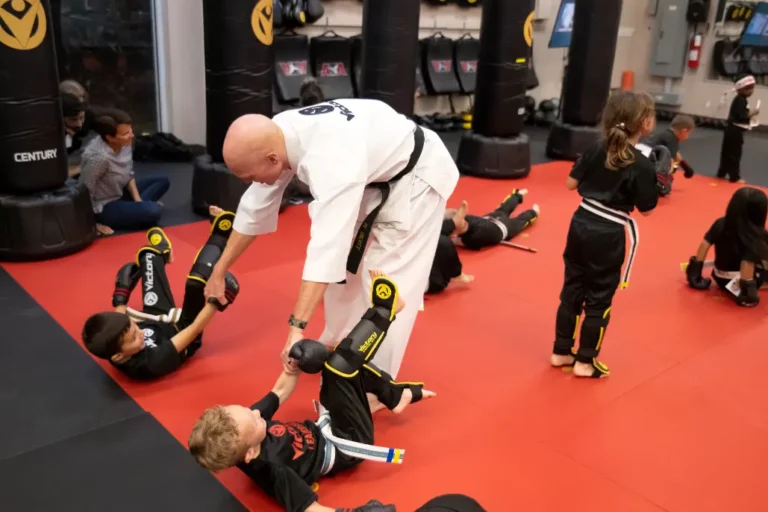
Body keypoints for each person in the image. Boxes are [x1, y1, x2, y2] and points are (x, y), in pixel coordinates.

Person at [204, 98, 459, 398]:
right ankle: (339, 340)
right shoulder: (280, 133)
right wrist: (219, 270)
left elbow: (326, 248)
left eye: (249, 177)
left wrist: (296, 328)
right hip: (371, 171)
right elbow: (253, 209)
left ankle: (372, 389)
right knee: (346, 271)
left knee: (385, 288)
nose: (251, 183)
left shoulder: (328, 160)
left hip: (417, 176)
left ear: (272, 159)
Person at [189, 272, 434, 512]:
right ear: (251, 452)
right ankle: (384, 311)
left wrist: (292, 368)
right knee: (339, 367)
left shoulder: (244, 427)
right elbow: (312, 509)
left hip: (326, 424)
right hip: (349, 441)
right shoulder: (275, 470)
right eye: (254, 418)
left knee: (329, 362)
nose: (256, 412)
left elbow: (279, 391)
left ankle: (396, 396)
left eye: (247, 410)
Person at [550, 90, 659, 379]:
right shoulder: (643, 164)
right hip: (609, 233)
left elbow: (570, 184)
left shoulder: (597, 149)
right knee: (598, 298)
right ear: (646, 123)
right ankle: (585, 362)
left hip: (581, 223)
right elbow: (646, 210)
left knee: (572, 288)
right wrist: (655, 179)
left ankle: (561, 351)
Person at [81, 208, 241, 380]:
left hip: (155, 316)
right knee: (196, 282)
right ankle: (221, 236)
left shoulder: (117, 344)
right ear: (119, 357)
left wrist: (121, 294)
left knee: (148, 257)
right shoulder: (150, 363)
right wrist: (215, 302)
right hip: (182, 330)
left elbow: (120, 318)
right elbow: (194, 330)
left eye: (135, 327)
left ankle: (162, 251)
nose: (140, 333)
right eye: (134, 337)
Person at [427, 189, 540, 295]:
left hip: (503, 228)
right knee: (504, 210)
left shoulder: (471, 239)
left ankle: (531, 210)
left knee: (518, 219)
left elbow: (455, 240)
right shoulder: (469, 220)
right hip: (490, 219)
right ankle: (519, 197)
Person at [80, 108, 170, 235]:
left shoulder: (125, 143)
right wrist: (93, 225)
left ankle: (136, 209)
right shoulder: (98, 157)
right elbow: (84, 191)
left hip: (120, 192)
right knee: (154, 211)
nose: (131, 135)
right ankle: (138, 211)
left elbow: (129, 173)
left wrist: (138, 200)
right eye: (125, 133)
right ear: (110, 137)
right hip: (104, 206)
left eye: (130, 130)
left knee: (163, 180)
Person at [685, 187, 768, 307]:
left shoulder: (720, 223)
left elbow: (704, 245)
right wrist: (748, 292)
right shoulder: (755, 235)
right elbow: (746, 264)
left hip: (719, 277)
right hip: (741, 280)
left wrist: (695, 273)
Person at [638, 115, 696, 196]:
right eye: (688, 134)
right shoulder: (673, 139)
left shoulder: (665, 134)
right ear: (684, 131)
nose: (687, 137)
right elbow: (670, 162)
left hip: (638, 151)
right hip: (645, 161)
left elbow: (675, 154)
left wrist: (685, 167)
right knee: (667, 171)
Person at [717, 75, 759, 183]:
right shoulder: (741, 100)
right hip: (735, 130)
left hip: (731, 129)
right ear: (742, 89)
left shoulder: (740, 99)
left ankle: (722, 172)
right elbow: (742, 116)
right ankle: (734, 176)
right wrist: (752, 113)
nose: (751, 91)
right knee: (734, 154)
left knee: (727, 152)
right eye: (749, 88)